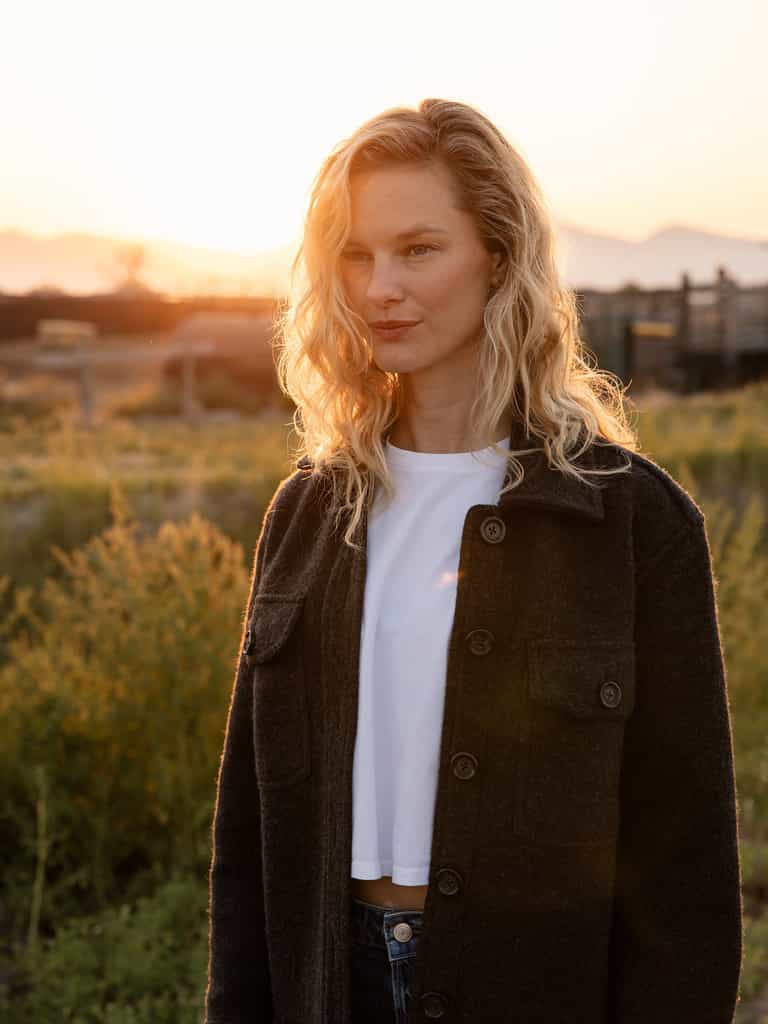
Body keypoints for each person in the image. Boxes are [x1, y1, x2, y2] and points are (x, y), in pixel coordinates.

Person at [204, 98, 742, 1023]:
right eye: (357, 255)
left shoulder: (631, 521)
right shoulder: (309, 512)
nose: (380, 287)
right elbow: (248, 838)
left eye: (418, 249)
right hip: (328, 987)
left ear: (498, 255)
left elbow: (684, 863)